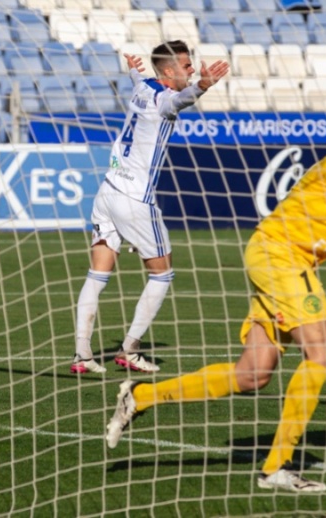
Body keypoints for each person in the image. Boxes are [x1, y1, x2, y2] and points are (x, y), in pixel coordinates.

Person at [105, 97, 326, 492]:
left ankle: (140, 396)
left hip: (285, 259)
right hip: (281, 254)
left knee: (252, 374)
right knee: (324, 354)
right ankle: (276, 467)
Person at [71, 41, 230, 374]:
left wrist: (132, 66)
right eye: (187, 66)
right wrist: (202, 86)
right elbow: (181, 99)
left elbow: (137, 79)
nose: (191, 69)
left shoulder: (143, 86)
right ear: (169, 71)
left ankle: (83, 356)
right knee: (162, 272)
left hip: (108, 191)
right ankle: (130, 348)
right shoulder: (164, 100)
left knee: (99, 272)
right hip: (134, 198)